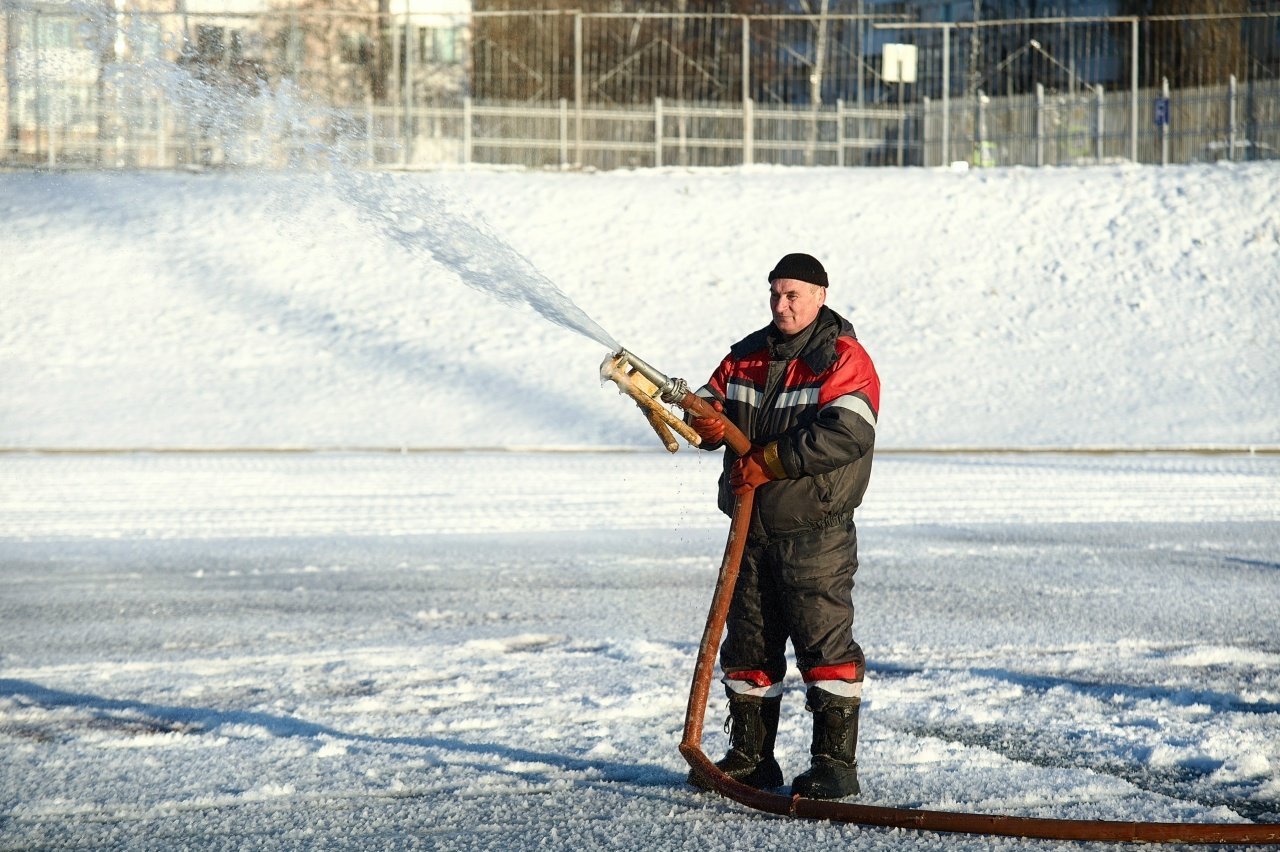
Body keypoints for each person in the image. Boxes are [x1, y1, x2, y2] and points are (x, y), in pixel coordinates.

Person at [685, 252, 880, 801]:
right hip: (749, 529)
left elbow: (847, 434)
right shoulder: (746, 355)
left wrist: (769, 462)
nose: (781, 304)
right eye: (775, 293)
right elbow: (711, 404)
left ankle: (834, 767)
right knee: (749, 643)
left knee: (824, 645)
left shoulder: (842, 358)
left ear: (820, 296)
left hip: (815, 529)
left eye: (793, 294)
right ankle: (751, 759)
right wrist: (692, 415)